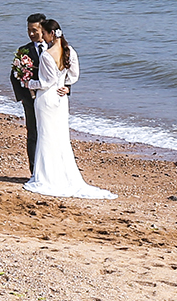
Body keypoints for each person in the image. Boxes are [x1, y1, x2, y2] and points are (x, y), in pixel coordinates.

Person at [21, 20, 114, 199]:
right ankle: (60, 173)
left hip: (46, 99)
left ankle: (46, 176)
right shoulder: (70, 51)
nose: (43, 37)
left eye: (44, 33)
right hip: (61, 99)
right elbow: (74, 75)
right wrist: (66, 86)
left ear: (49, 34)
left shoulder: (47, 55)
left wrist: (27, 83)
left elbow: (45, 82)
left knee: (46, 135)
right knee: (60, 136)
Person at [10, 13, 51, 174]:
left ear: (43, 29)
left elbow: (65, 69)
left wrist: (66, 89)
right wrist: (24, 98)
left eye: (34, 30)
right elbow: (14, 75)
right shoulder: (24, 50)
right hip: (31, 100)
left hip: (51, 99)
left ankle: (49, 170)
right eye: (29, 30)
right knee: (33, 133)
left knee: (49, 133)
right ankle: (34, 171)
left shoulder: (55, 48)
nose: (31, 33)